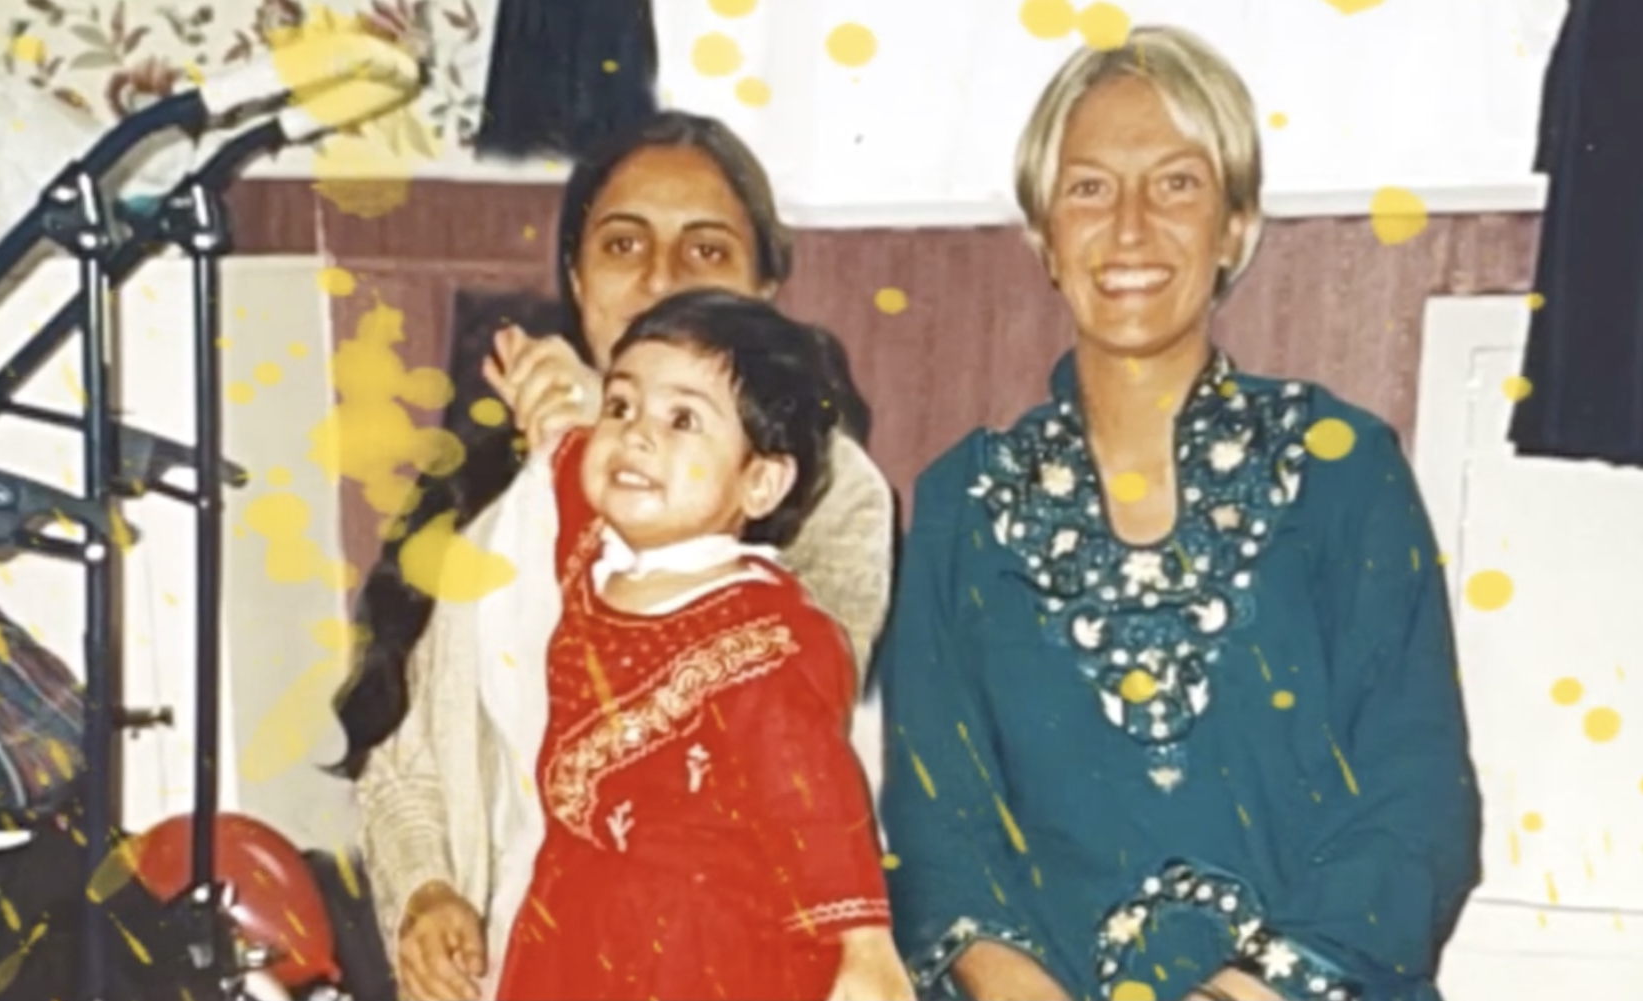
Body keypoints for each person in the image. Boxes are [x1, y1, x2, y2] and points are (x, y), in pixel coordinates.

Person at [875, 27, 1482, 1001]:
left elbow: (1417, 797)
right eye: (1086, 188)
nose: (1126, 228)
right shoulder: (965, 502)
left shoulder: (1340, 469)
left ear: (1234, 225)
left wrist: (1244, 990)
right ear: (1041, 233)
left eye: (1175, 183)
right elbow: (934, 818)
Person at [343, 111, 898, 1001]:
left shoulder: (827, 488)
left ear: (763, 284)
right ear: (575, 275)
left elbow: (794, 737)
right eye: (623, 243)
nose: (659, 277)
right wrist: (426, 892)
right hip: (526, 957)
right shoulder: (502, 490)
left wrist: (599, 423)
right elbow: (399, 756)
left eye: (706, 250)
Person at [491, 289, 911, 1001]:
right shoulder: (594, 550)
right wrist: (549, 392)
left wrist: (864, 945)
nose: (636, 436)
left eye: (682, 419)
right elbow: (571, 458)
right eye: (621, 406)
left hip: (707, 955)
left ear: (761, 480)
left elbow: (817, 803)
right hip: (568, 941)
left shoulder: (768, 641)